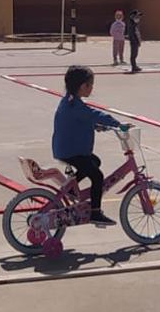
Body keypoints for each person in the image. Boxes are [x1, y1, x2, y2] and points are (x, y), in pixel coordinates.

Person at [53, 65, 127, 226]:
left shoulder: (69, 101)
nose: (92, 88)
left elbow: (79, 121)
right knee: (97, 176)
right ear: (82, 86)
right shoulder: (76, 106)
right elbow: (93, 114)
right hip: (72, 151)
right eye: (90, 84)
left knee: (94, 162)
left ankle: (71, 187)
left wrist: (97, 126)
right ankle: (95, 212)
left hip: (67, 148)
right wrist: (117, 124)